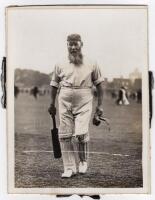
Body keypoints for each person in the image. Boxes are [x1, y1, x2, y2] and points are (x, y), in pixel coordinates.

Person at [48, 34, 104, 178]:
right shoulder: (60, 63)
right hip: (64, 100)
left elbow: (99, 85)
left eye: (76, 44)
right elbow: (54, 85)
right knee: (64, 135)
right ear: (66, 45)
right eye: (70, 44)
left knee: (80, 133)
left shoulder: (92, 62)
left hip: (84, 99)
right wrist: (51, 103)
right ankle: (69, 168)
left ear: (81, 44)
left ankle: (83, 162)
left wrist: (100, 106)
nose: (73, 47)